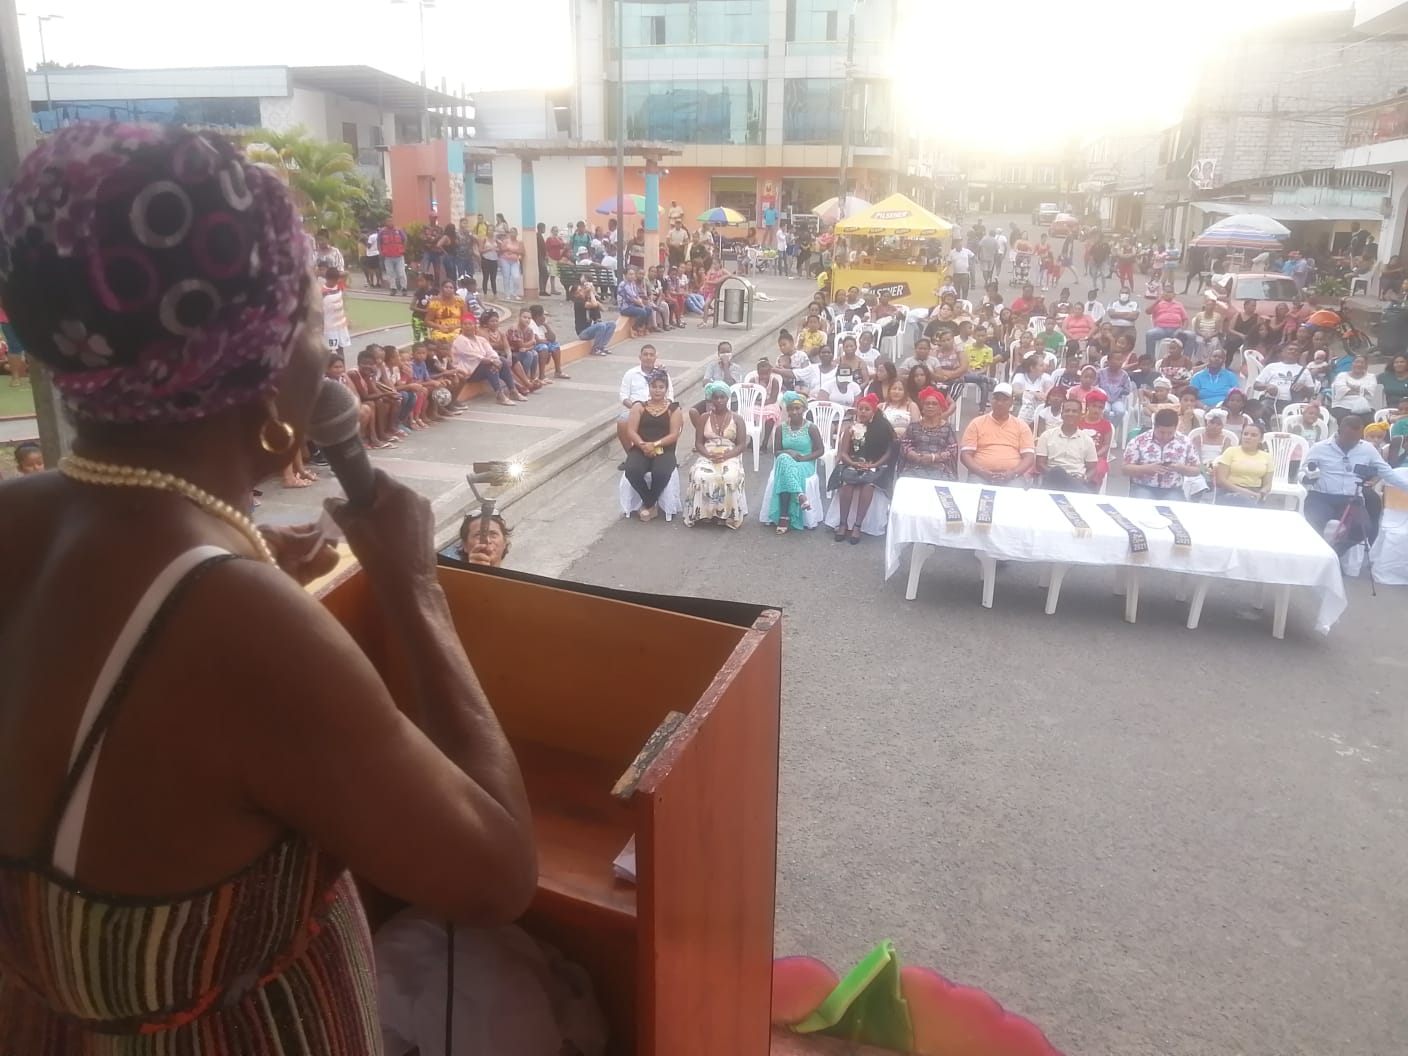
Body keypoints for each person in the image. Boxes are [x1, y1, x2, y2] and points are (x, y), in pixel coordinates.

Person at [0, 121, 537, 1053]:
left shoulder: (23, 516)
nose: (328, 351)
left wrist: (242, 569)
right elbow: (495, 876)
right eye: (312, 317)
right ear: (267, 364)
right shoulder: (235, 622)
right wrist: (415, 586)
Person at [829, 393, 896, 543]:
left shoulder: (882, 429)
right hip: (852, 463)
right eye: (861, 409)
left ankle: (857, 525)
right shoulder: (850, 428)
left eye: (867, 409)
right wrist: (853, 464)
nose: (863, 412)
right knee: (846, 485)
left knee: (868, 486)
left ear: (873, 412)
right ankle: (843, 523)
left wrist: (874, 465)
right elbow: (843, 453)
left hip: (874, 465)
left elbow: (888, 453)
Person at [684, 382, 748, 529]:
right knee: (699, 475)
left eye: (722, 397)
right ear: (711, 399)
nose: (719, 400)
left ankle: (726, 514)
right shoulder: (704, 418)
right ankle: (705, 513)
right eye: (716, 397)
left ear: (727, 398)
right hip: (708, 453)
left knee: (729, 476)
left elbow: (741, 445)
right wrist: (708, 455)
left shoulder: (737, 419)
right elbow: (698, 443)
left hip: (729, 453)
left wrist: (727, 456)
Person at [622, 369, 683, 522]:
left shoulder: (673, 409)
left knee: (661, 472)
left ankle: (647, 505)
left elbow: (674, 434)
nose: (657, 390)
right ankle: (650, 503)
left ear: (666, 389)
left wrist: (654, 445)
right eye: (654, 386)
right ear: (648, 387)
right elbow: (631, 431)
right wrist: (643, 445)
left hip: (664, 449)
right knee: (632, 470)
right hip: (640, 448)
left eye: (661, 387)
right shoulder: (639, 407)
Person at [764, 392, 823, 533]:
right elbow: (777, 452)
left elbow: (820, 450)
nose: (794, 412)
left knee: (784, 470)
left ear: (804, 409)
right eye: (791, 409)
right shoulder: (781, 428)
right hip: (786, 461)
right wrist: (789, 452)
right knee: (784, 459)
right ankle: (800, 495)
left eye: (798, 408)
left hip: (805, 463)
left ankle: (784, 516)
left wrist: (803, 458)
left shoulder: (811, 428)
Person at [960, 383, 1035, 485]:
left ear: (1011, 402)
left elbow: (1029, 457)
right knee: (975, 492)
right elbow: (965, 454)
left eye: (1004, 400)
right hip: (980, 475)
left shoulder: (1021, 426)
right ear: (991, 401)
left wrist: (1013, 473)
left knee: (1016, 493)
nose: (1000, 403)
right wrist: (981, 471)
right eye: (996, 399)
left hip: (1012, 477)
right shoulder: (976, 423)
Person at [1122, 408, 1201, 500]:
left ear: (1176, 427)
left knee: (1174, 506)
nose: (1165, 436)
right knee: (1143, 504)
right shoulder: (1139, 441)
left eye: (1170, 433)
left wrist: (1182, 468)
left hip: (1173, 489)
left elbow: (1196, 470)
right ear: (1154, 426)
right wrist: (1146, 468)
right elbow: (1125, 469)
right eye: (1161, 432)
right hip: (1143, 486)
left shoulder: (1185, 442)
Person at [616, 344, 672, 461]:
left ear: (655, 357)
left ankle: (668, 456)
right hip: (635, 409)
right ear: (640, 357)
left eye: (651, 355)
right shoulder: (631, 374)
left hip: (659, 408)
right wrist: (636, 408)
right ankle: (631, 456)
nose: (648, 357)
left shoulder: (662, 373)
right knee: (622, 422)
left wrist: (659, 409)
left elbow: (670, 396)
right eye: (645, 354)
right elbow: (623, 396)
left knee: (676, 421)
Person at [1035, 399, 1099, 491]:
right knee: (1058, 471)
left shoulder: (1087, 440)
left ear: (1081, 415)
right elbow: (1040, 464)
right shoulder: (1047, 436)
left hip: (1077, 479)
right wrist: (1060, 476)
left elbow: (1092, 469)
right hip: (1053, 479)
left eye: (1074, 411)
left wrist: (1084, 478)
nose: (1070, 414)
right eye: (1067, 411)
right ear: (1062, 414)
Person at [900, 387, 959, 479]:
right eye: (927, 403)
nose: (930, 406)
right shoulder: (913, 426)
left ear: (940, 408)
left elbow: (952, 450)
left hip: (941, 468)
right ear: (922, 408)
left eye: (934, 404)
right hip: (914, 466)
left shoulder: (947, 428)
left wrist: (934, 457)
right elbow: (905, 445)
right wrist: (915, 456)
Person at [1212, 422, 1274, 507]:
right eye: (1245, 434)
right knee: (1243, 499)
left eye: (1253, 435)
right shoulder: (1231, 451)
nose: (1248, 437)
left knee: (1250, 501)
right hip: (1229, 491)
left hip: (1255, 492)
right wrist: (1247, 493)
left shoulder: (1267, 457)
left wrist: (1262, 492)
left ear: (1261, 439)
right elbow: (1221, 480)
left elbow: (1268, 484)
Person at [1252, 342, 1314, 416]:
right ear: (1282, 352)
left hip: (1294, 403)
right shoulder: (1271, 367)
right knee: (1262, 409)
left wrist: (1304, 387)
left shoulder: (1304, 371)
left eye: (1296, 350)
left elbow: (1312, 392)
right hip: (1272, 401)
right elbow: (1256, 385)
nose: (1293, 351)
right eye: (1290, 349)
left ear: (1299, 355)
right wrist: (1267, 386)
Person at [572, 276, 617, 356]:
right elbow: (594, 304)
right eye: (578, 292)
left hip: (590, 329)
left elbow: (603, 309)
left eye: (581, 290)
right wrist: (591, 292)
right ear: (575, 295)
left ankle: (601, 347)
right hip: (582, 332)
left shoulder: (587, 299)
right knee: (601, 326)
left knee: (612, 324)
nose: (581, 292)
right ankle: (595, 349)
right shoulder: (578, 302)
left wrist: (593, 294)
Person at [1145, 287, 1192, 357]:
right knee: (1149, 334)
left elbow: (1186, 319)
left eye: (1170, 292)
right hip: (1161, 329)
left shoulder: (1179, 305)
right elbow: (1147, 311)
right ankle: (1150, 359)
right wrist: (1157, 301)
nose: (1167, 294)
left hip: (1176, 330)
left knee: (1191, 336)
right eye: (1166, 292)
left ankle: (1185, 359)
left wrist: (1183, 329)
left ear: (1174, 295)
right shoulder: (1158, 304)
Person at [1331, 355, 1379, 421]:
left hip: (1365, 406)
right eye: (1356, 362)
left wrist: (1350, 386)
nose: (1359, 364)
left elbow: (1370, 391)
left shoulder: (1371, 377)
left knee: (1369, 420)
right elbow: (1341, 390)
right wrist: (1361, 390)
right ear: (1352, 364)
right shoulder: (1342, 375)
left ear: (1366, 365)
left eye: (1362, 362)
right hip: (1343, 405)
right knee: (1346, 420)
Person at [1011, 353, 1054, 425]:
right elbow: (1016, 392)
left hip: (1041, 410)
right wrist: (1034, 394)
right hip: (1022, 408)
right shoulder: (1020, 376)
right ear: (1032, 368)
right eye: (1041, 365)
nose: (1044, 367)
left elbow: (1049, 394)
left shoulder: (1046, 377)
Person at [378, 219, 408, 294]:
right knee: (390, 273)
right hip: (388, 256)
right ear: (385, 223)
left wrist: (403, 249)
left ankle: (404, 288)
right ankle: (393, 288)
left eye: (391, 221)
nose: (390, 223)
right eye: (388, 221)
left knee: (401, 273)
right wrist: (380, 252)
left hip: (399, 256)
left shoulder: (399, 230)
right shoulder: (382, 232)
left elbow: (405, 239)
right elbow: (379, 242)